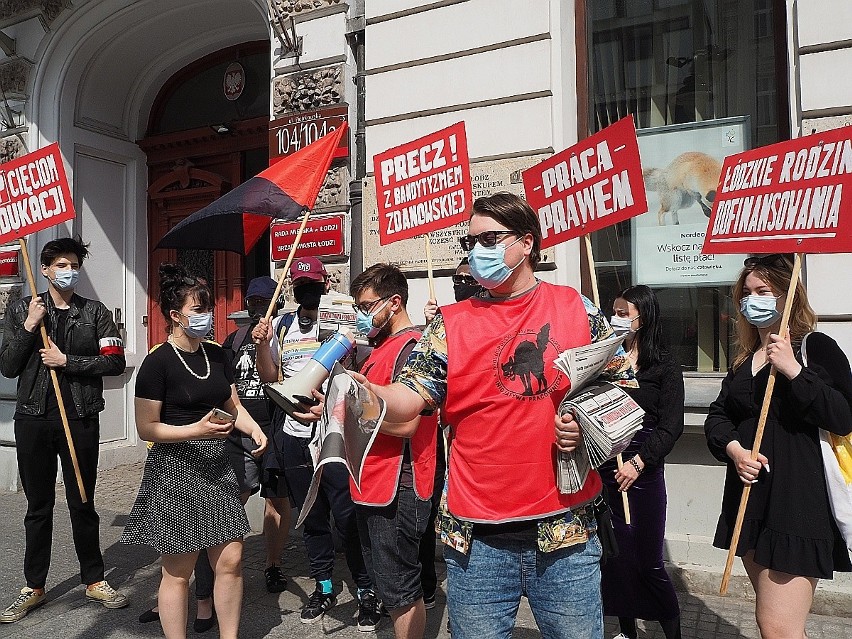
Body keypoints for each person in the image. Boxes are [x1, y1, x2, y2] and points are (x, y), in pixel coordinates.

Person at [332, 192, 633, 639]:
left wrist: (585, 428)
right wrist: (363, 389)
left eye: (489, 239)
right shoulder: (449, 323)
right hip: (478, 542)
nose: (476, 251)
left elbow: (620, 389)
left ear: (526, 243)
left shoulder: (577, 307)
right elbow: (410, 398)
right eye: (469, 241)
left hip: (566, 532)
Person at [704, 253, 852, 639]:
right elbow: (718, 417)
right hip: (751, 500)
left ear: (787, 295)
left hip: (795, 503)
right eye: (746, 293)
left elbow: (843, 415)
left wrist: (794, 371)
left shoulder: (815, 347)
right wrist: (735, 450)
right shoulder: (743, 360)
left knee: (779, 628)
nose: (752, 299)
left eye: (763, 291)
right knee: (775, 625)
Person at [137, 275, 292, 632]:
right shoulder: (157, 363)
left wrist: (252, 428)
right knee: (178, 569)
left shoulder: (217, 354)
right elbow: (147, 427)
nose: (206, 315)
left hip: (218, 466)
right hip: (175, 469)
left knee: (231, 559)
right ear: (176, 315)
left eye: (208, 307)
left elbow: (231, 402)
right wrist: (197, 430)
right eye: (198, 309)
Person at [0, 237, 129, 623]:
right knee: (38, 506)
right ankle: (33, 586)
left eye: (73, 264)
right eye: (59, 264)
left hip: (79, 418)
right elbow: (7, 366)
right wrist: (28, 326)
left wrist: (66, 360)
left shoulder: (96, 313)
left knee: (83, 501)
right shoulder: (22, 308)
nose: (67, 270)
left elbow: (114, 362)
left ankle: (94, 579)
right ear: (44, 269)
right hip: (33, 418)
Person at [252, 256, 380, 630]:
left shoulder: (346, 314)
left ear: (326, 283)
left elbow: (370, 365)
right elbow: (270, 375)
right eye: (300, 283)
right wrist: (262, 343)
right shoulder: (280, 323)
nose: (307, 289)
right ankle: (323, 586)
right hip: (294, 433)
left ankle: (366, 589)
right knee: (311, 515)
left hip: (336, 434)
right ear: (292, 287)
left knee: (347, 516)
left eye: (313, 282)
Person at [349, 263, 439, 639]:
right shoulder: (380, 348)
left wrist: (354, 415)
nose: (361, 314)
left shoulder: (413, 348)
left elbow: (409, 424)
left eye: (367, 305)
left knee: (401, 587)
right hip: (371, 480)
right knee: (390, 584)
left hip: (398, 482)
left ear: (394, 302)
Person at [599, 285, 683, 639]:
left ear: (642, 318)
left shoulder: (664, 366)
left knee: (648, 562)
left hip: (644, 474)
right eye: (613, 312)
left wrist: (639, 463)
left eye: (623, 313)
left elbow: (672, 426)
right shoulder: (607, 363)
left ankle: (673, 632)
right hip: (608, 470)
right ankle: (627, 631)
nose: (616, 319)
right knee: (617, 562)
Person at [221, 276, 291, 592]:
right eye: (253, 301)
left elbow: (278, 377)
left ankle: (272, 564)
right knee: (236, 494)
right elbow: (223, 386)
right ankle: (225, 560)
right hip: (240, 433)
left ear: (277, 304)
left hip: (276, 429)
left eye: (265, 301)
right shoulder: (233, 341)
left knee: (276, 498)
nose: (258, 307)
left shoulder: (287, 336)